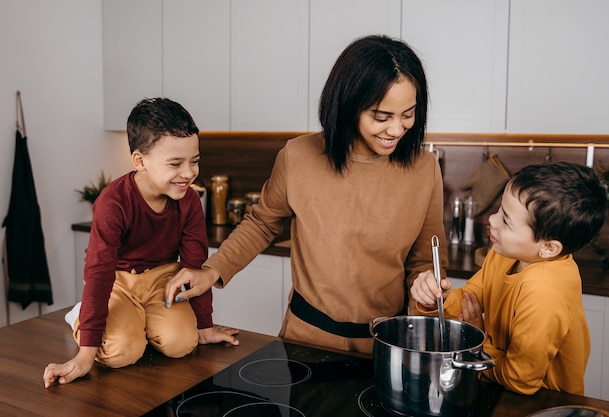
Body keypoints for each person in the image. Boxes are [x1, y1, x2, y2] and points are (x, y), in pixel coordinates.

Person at [164, 34, 448, 354]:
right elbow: (262, 223)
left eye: (407, 114)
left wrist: (426, 286)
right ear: (348, 105)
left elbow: (426, 259)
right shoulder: (299, 156)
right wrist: (212, 270)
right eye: (381, 117)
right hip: (308, 339)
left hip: (388, 344)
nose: (396, 129)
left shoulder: (424, 169)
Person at [43, 98, 239, 388]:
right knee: (121, 352)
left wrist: (205, 326)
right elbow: (99, 272)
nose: (188, 173)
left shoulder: (190, 201)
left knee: (182, 344)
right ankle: (80, 317)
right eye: (175, 164)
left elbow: (194, 266)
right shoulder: (113, 203)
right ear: (140, 161)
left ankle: (139, 320)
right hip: (118, 281)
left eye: (194, 161)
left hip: (163, 279)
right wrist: (85, 355)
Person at [411, 161, 607, 396]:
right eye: (500, 210)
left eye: (506, 221)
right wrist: (437, 300)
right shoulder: (505, 252)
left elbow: (520, 380)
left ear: (548, 248)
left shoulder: (543, 292)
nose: (492, 220)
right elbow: (469, 301)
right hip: (496, 382)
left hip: (544, 402)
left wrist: (479, 342)